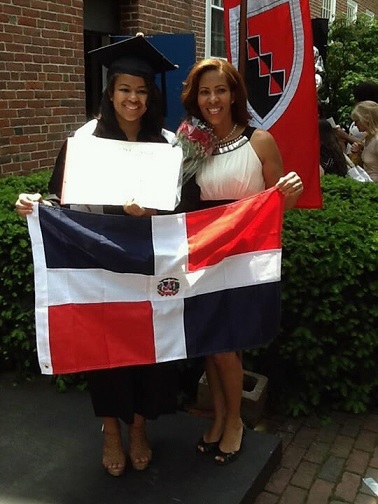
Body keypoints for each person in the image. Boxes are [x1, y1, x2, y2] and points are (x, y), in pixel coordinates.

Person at [15, 35, 179, 477]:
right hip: (98, 262)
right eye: (125, 89)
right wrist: (36, 205)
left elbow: (181, 206)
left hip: (149, 261)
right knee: (105, 353)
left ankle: (140, 427)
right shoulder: (84, 142)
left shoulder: (166, 144)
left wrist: (153, 208)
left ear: (151, 96)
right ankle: (111, 429)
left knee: (149, 350)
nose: (133, 98)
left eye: (142, 90)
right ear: (111, 92)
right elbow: (61, 199)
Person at [177, 58, 303, 465]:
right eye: (204, 92)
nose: (213, 99)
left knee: (227, 347)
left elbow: (279, 204)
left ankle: (234, 423)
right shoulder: (187, 144)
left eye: (220, 90)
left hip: (244, 255)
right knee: (211, 344)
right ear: (195, 98)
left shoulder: (259, 141)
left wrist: (291, 190)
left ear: (234, 94)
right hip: (203, 253)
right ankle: (219, 418)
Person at [349, 100, 378, 182]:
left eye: (356, 121)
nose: (355, 125)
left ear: (366, 119)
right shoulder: (367, 138)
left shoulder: (376, 140)